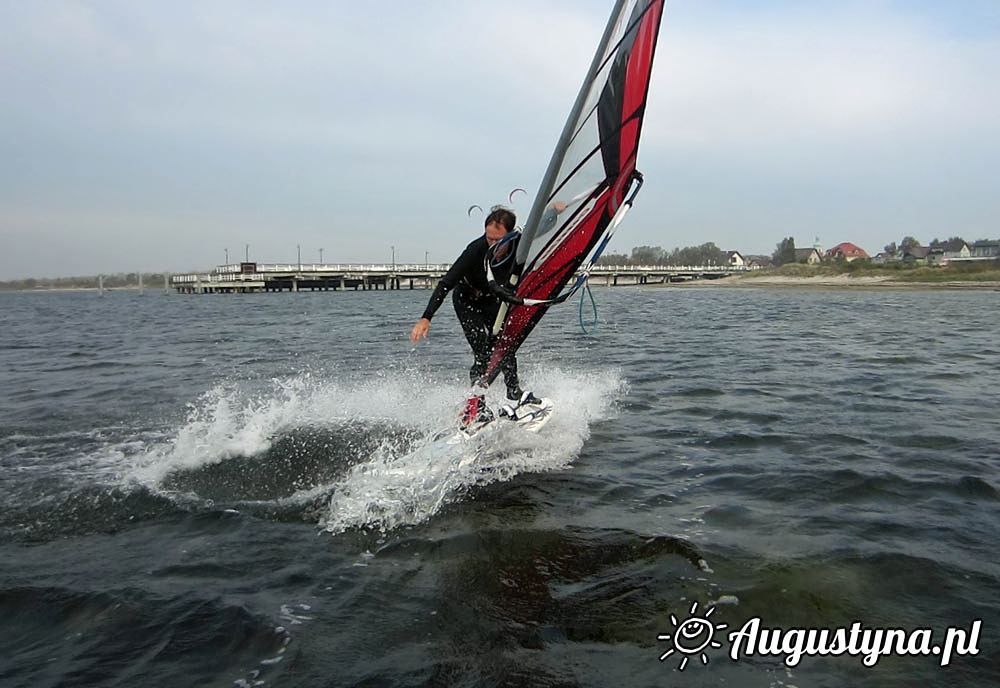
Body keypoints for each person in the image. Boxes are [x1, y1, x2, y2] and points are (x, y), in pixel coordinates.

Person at [410, 207, 540, 425]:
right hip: (467, 301)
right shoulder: (476, 250)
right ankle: (477, 406)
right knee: (481, 351)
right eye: (489, 238)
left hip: (492, 300)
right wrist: (426, 317)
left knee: (506, 344)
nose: (492, 244)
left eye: (497, 239)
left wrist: (554, 211)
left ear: (510, 234)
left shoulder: (519, 243)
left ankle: (514, 393)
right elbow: (446, 283)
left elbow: (540, 227)